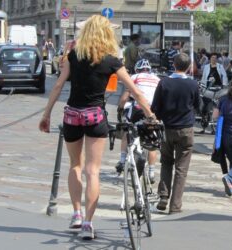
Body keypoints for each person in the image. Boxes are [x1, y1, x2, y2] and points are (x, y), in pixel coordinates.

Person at [38, 15, 155, 240]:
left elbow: (58, 86)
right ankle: (88, 225)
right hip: (95, 117)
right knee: (93, 171)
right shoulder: (111, 60)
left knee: (75, 166)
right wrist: (150, 114)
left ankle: (76, 214)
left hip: (72, 115)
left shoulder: (74, 56)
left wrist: (46, 115)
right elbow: (135, 90)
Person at [151, 53, 200, 214]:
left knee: (166, 162)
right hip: (186, 129)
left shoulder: (164, 82)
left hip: (166, 128)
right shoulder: (193, 85)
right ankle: (175, 205)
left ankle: (163, 195)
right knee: (181, 168)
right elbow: (198, 105)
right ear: (188, 67)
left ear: (174, 65)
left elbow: (155, 107)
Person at [116, 59, 160, 183]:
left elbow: (125, 98)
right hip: (153, 111)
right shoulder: (157, 79)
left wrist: (120, 109)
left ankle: (122, 160)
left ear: (137, 69)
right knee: (152, 140)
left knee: (127, 130)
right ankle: (151, 172)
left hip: (138, 109)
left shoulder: (134, 77)